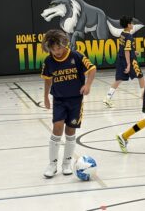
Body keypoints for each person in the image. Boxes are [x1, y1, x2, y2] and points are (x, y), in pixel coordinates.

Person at [41, 29, 96, 178]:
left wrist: (88, 85)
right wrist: (46, 97)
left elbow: (92, 69)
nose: (56, 52)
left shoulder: (76, 56)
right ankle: (52, 164)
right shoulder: (49, 61)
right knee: (57, 127)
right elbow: (47, 79)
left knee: (70, 132)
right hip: (59, 99)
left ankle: (67, 163)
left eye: (58, 48)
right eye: (53, 49)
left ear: (64, 44)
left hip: (76, 101)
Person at [103, 16, 145, 108]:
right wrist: (129, 64)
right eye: (132, 23)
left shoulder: (122, 33)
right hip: (129, 60)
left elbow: (125, 48)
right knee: (140, 76)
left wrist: (134, 51)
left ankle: (107, 98)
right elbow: (126, 50)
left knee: (118, 79)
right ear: (128, 25)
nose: (133, 24)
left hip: (120, 59)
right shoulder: (129, 37)